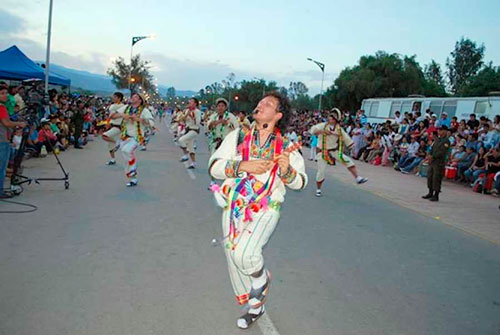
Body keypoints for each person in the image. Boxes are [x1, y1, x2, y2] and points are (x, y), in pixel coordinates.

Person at [208, 92, 307, 329]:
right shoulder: (238, 135)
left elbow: (301, 182)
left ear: (278, 115)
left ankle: (261, 278)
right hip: (234, 206)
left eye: (268, 104)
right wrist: (242, 165)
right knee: (233, 255)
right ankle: (256, 307)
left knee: (245, 254)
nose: (260, 105)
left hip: (266, 207)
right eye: (260, 102)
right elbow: (214, 167)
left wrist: (286, 171)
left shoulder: (286, 146)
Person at [310, 108, 367, 197]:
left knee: (347, 161)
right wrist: (321, 131)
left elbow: (347, 139)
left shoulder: (339, 129)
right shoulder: (323, 126)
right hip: (322, 151)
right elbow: (313, 130)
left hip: (334, 151)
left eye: (332, 118)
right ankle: (318, 189)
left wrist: (352, 148)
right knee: (321, 171)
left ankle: (357, 177)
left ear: (336, 120)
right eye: (330, 117)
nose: (330, 119)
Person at [110, 93, 154, 187]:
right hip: (125, 136)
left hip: (137, 137)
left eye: (135, 97)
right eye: (132, 96)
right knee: (125, 158)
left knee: (127, 150)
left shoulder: (144, 111)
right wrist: (122, 115)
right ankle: (133, 179)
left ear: (140, 100)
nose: (132, 98)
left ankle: (133, 168)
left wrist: (139, 119)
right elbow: (112, 116)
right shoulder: (126, 108)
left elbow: (151, 123)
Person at [0, 86, 26, 199]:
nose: (5, 95)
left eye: (6, 93)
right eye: (2, 93)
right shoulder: (1, 108)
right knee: (2, 166)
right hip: (2, 140)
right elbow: (6, 122)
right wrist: (19, 124)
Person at [422, 126, 450, 202]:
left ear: (445, 131)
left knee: (436, 178)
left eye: (440, 130)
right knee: (430, 176)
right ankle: (430, 192)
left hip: (439, 162)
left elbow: (442, 152)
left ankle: (436, 194)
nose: (439, 132)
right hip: (433, 161)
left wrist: (433, 156)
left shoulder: (446, 141)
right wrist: (430, 155)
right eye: (438, 130)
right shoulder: (437, 140)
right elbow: (432, 149)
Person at [102, 92, 125, 165]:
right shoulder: (112, 105)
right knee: (110, 145)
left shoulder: (122, 106)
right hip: (112, 125)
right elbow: (109, 116)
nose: (113, 98)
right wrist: (108, 123)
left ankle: (117, 142)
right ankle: (113, 159)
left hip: (118, 126)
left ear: (119, 98)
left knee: (104, 136)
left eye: (115, 97)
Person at [178, 98, 202, 169]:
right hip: (188, 129)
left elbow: (197, 122)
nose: (190, 103)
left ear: (195, 104)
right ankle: (193, 163)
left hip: (194, 130)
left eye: (192, 102)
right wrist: (186, 115)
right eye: (190, 101)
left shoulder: (197, 112)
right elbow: (182, 120)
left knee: (181, 140)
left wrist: (192, 116)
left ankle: (186, 155)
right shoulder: (187, 111)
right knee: (191, 147)